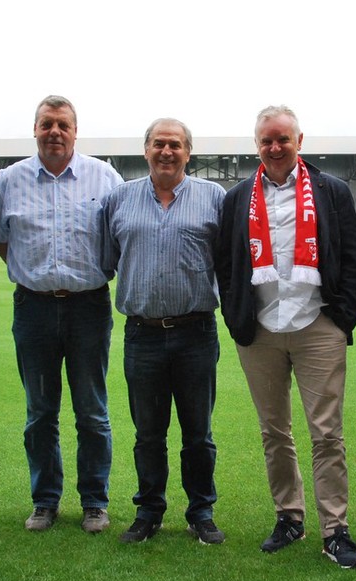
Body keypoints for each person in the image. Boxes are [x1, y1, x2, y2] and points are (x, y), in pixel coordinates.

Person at [216, 105, 356, 568]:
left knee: (327, 433)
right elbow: (226, 263)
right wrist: (237, 319)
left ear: (300, 141)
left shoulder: (331, 190)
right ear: (256, 145)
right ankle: (289, 517)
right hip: (260, 329)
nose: (275, 147)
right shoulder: (238, 197)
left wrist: (341, 319)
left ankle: (335, 530)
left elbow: (355, 256)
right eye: (267, 140)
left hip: (317, 324)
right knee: (274, 432)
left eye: (283, 138)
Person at [0, 95, 122, 533]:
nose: (55, 132)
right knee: (40, 413)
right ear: (35, 129)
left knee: (92, 411)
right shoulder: (10, 180)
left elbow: (120, 236)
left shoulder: (105, 177)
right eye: (46, 124)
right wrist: (34, 272)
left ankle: (94, 502)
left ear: (75, 131)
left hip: (88, 307)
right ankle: (45, 500)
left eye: (63, 124)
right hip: (34, 308)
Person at [101, 118, 225, 545]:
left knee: (198, 434)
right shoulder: (119, 199)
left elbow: (226, 260)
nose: (166, 152)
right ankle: (149, 511)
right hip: (143, 335)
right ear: (146, 149)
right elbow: (109, 258)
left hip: (196, 333)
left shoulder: (213, 198)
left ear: (188, 152)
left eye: (175, 144)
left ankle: (201, 512)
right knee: (148, 434)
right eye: (159, 144)